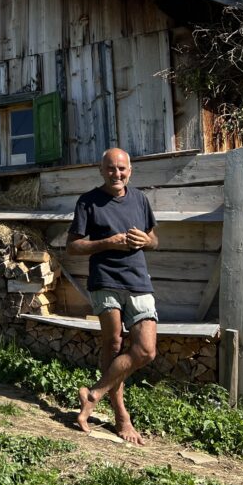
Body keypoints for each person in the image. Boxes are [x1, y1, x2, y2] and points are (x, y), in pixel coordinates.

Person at [66, 147, 158, 446]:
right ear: (101, 170)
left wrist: (147, 241)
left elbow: (154, 239)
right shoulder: (88, 201)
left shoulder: (140, 199)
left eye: (121, 169)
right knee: (115, 343)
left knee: (146, 350)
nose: (116, 174)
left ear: (129, 170)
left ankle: (93, 394)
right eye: (110, 169)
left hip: (138, 280)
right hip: (104, 281)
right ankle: (121, 416)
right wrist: (108, 243)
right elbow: (73, 246)